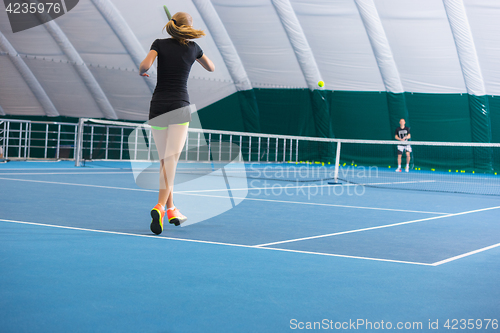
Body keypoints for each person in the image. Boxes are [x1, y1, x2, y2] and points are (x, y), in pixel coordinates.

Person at [139, 12, 215, 235]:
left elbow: (145, 66)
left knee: (165, 161)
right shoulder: (193, 48)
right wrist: (197, 52)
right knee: (171, 161)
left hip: (158, 105)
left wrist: (143, 71)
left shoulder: (159, 44)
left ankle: (172, 208)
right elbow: (211, 68)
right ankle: (160, 206)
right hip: (179, 106)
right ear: (189, 27)